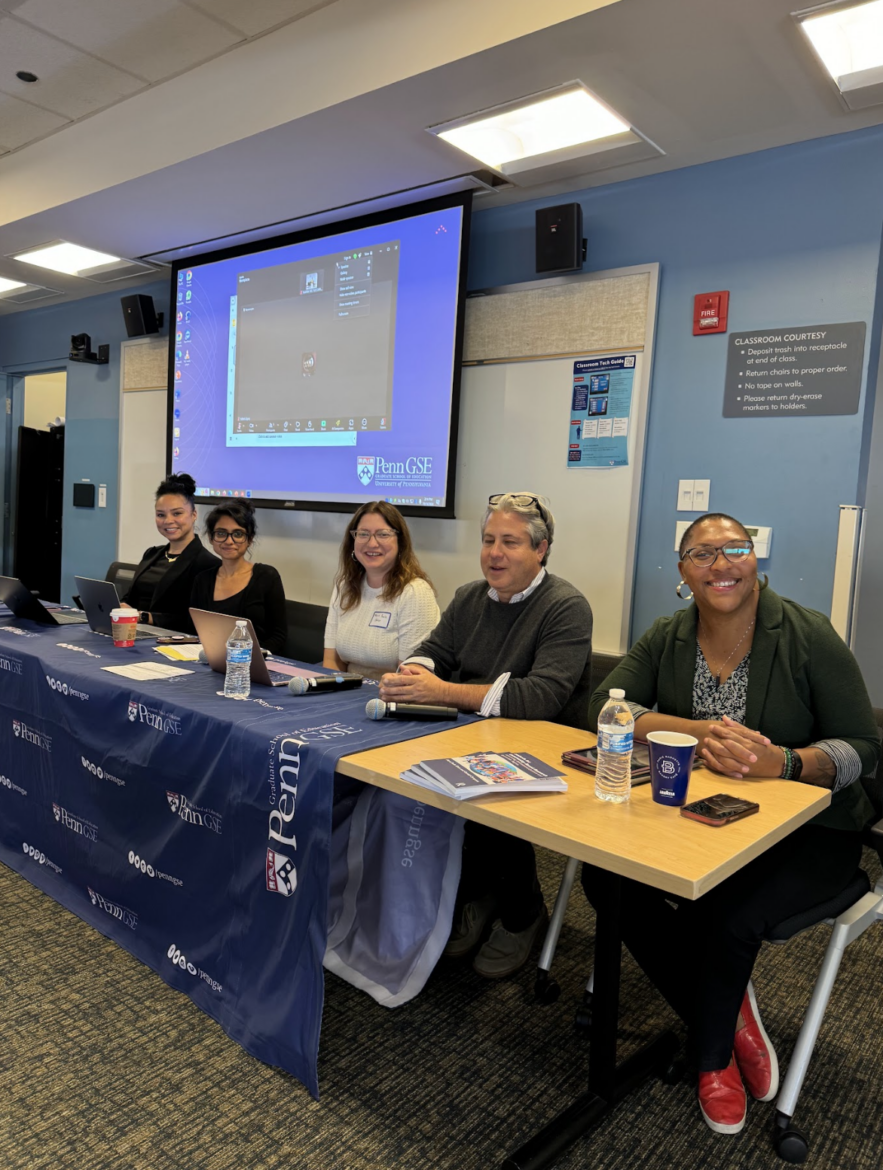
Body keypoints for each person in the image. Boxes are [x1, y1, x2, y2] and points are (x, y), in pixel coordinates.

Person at [582, 512, 879, 1135]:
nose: (720, 564)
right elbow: (605, 706)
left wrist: (788, 763)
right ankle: (724, 1005)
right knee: (605, 880)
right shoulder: (668, 634)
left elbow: (863, 746)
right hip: (705, 818)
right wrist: (694, 731)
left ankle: (712, 1055)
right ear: (683, 574)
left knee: (730, 909)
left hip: (813, 829)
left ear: (755, 561)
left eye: (734, 549)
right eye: (701, 554)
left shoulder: (807, 633)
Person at [380, 492, 594, 979]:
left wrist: (443, 692)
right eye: (488, 540)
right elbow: (434, 648)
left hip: (544, 751)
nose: (494, 553)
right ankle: (479, 892)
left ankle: (523, 912)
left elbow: (539, 699)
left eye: (510, 542)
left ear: (541, 550)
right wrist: (412, 672)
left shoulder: (565, 606)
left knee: (486, 802)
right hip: (475, 737)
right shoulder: (469, 597)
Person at [323, 501, 439, 680]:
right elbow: (331, 661)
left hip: (391, 697)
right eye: (363, 534)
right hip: (345, 691)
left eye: (383, 534)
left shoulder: (415, 593)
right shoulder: (345, 586)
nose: (372, 543)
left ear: (400, 542)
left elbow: (408, 677)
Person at [121, 472, 219, 634]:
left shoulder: (207, 564)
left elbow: (195, 621)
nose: (168, 521)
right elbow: (131, 598)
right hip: (133, 634)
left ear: (194, 515)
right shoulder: (152, 554)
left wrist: (144, 617)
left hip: (170, 643)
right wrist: (121, 607)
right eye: (161, 515)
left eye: (177, 513)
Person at [191, 499, 287, 654]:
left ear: (249, 539)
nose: (229, 541)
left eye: (238, 534)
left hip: (255, 663)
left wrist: (244, 657)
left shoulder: (267, 576)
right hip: (212, 661)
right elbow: (196, 631)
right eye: (221, 533)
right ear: (210, 537)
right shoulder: (202, 580)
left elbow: (278, 637)